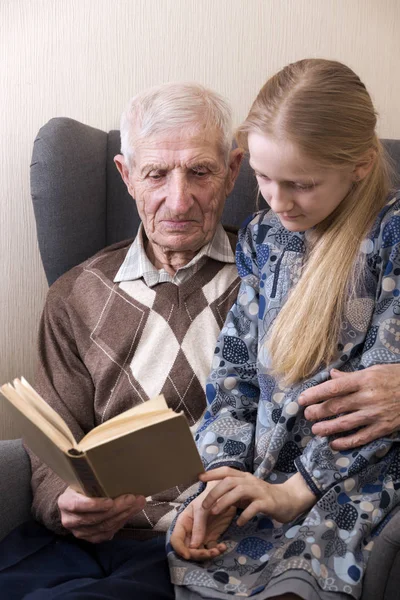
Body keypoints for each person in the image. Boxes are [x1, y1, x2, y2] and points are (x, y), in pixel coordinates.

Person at [0, 82, 243, 599]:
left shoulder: (274, 277)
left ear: (232, 172)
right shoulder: (74, 295)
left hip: (227, 540)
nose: (178, 200)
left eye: (200, 171)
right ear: (126, 176)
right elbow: (51, 447)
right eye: (156, 173)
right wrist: (65, 501)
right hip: (105, 544)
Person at [168, 59, 400, 600]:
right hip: (265, 476)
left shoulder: (391, 239)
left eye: (301, 184)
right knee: (199, 553)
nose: (276, 199)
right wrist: (221, 479)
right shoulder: (264, 237)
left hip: (353, 479)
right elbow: (234, 374)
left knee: (305, 569)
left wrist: (300, 489)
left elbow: (373, 404)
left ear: (361, 166)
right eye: (263, 177)